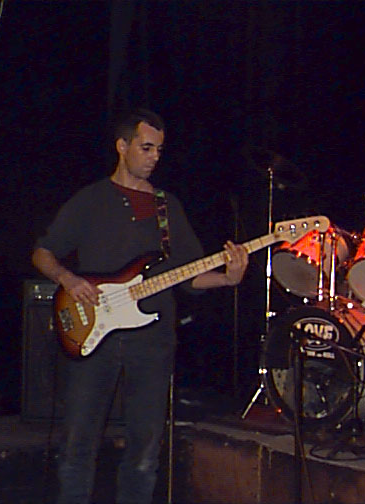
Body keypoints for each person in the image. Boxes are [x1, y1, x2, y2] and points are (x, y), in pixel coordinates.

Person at [31, 108, 248, 504]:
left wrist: (228, 279)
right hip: (92, 334)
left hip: (153, 341)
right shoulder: (90, 200)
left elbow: (188, 274)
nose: (154, 157)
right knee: (78, 444)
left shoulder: (168, 207)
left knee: (145, 452)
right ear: (122, 146)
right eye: (146, 148)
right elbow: (43, 252)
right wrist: (68, 279)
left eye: (159, 150)